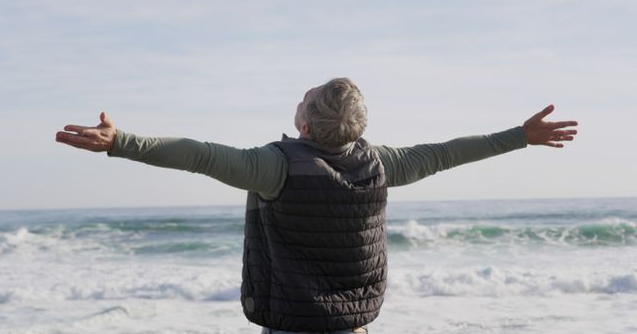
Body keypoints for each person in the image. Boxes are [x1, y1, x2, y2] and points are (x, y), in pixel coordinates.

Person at [56, 78, 578, 334]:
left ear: (304, 124)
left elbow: (197, 155)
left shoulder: (273, 166)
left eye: (303, 102)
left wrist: (120, 142)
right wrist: (519, 137)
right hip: (353, 323)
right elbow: (444, 154)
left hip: (290, 323)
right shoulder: (382, 163)